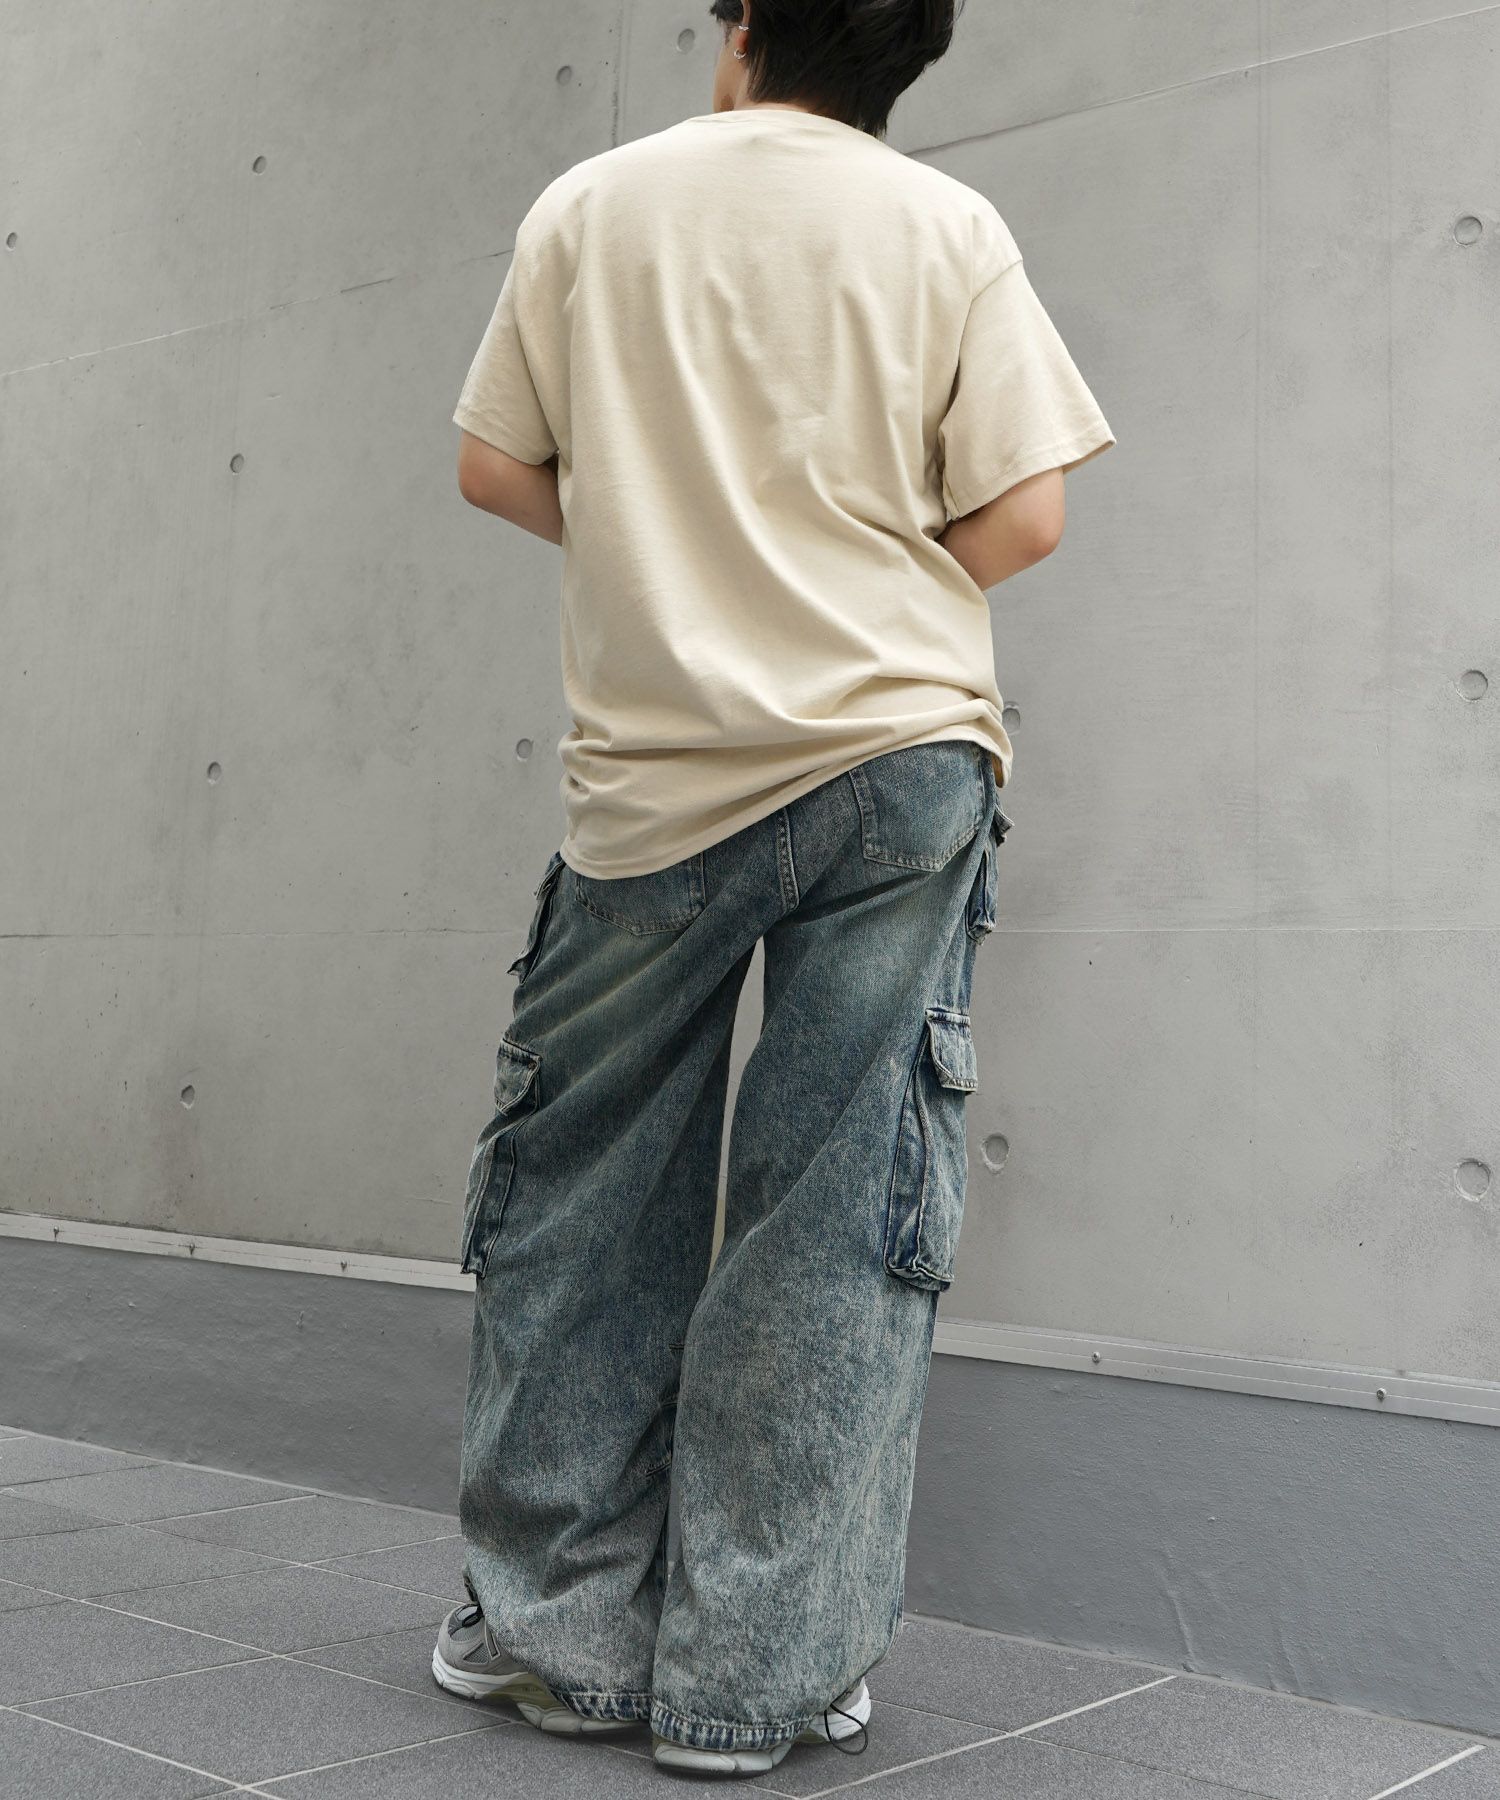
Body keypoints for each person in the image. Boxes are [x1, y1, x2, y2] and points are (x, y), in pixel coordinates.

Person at [432, 0, 1115, 1777]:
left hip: (657, 780)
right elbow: (1028, 515)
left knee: (587, 1193)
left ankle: (558, 1644)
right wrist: (844, 565)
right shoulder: (945, 225)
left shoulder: (594, 205)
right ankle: (761, 1679)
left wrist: (674, 548)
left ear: (738, 24)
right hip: (898, 757)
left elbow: (497, 464)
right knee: (833, 1210)